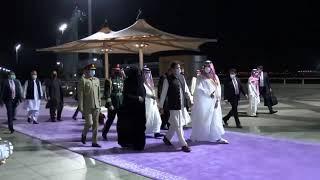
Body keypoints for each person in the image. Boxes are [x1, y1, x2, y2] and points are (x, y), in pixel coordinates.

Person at [191, 61, 228, 143]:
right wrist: (208, 93)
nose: (207, 68)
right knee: (205, 119)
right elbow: (198, 89)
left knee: (216, 119)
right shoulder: (200, 77)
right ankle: (200, 136)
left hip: (215, 102)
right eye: (206, 66)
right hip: (206, 102)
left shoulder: (215, 77)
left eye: (209, 66)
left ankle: (217, 137)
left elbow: (218, 89)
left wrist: (218, 99)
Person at [159, 62, 193, 153]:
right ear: (172, 69)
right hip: (173, 106)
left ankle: (167, 138)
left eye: (179, 68)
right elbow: (163, 94)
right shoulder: (168, 80)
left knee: (175, 124)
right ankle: (184, 144)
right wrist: (161, 106)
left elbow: (186, 90)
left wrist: (190, 99)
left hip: (182, 105)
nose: (179, 69)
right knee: (178, 124)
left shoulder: (182, 78)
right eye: (177, 68)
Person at [117, 66, 146, 150]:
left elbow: (143, 92)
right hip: (132, 108)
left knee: (139, 127)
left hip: (139, 109)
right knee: (134, 127)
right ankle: (135, 144)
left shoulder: (139, 81)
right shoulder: (129, 82)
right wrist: (138, 98)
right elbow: (126, 95)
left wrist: (142, 98)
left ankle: (139, 144)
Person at [78, 64, 101, 148]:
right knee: (89, 123)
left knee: (96, 125)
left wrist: (100, 104)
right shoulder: (83, 80)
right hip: (87, 106)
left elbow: (98, 94)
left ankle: (94, 142)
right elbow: (80, 95)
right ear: (87, 71)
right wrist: (81, 107)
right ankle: (84, 134)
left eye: (94, 70)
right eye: (91, 70)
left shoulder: (97, 80)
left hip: (96, 106)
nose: (93, 71)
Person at [102, 64, 125, 140]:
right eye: (116, 70)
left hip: (120, 103)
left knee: (121, 120)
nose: (117, 71)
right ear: (113, 71)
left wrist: (124, 74)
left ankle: (120, 135)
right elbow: (107, 94)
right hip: (113, 103)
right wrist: (110, 104)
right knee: (110, 120)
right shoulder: (109, 80)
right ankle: (104, 132)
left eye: (118, 70)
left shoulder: (122, 79)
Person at [143, 66, 164, 138]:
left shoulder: (150, 83)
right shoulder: (141, 83)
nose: (147, 74)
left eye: (148, 72)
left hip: (153, 104)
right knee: (147, 118)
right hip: (146, 103)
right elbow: (143, 92)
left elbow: (153, 92)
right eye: (146, 72)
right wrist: (151, 96)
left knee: (157, 118)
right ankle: (143, 132)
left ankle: (157, 132)